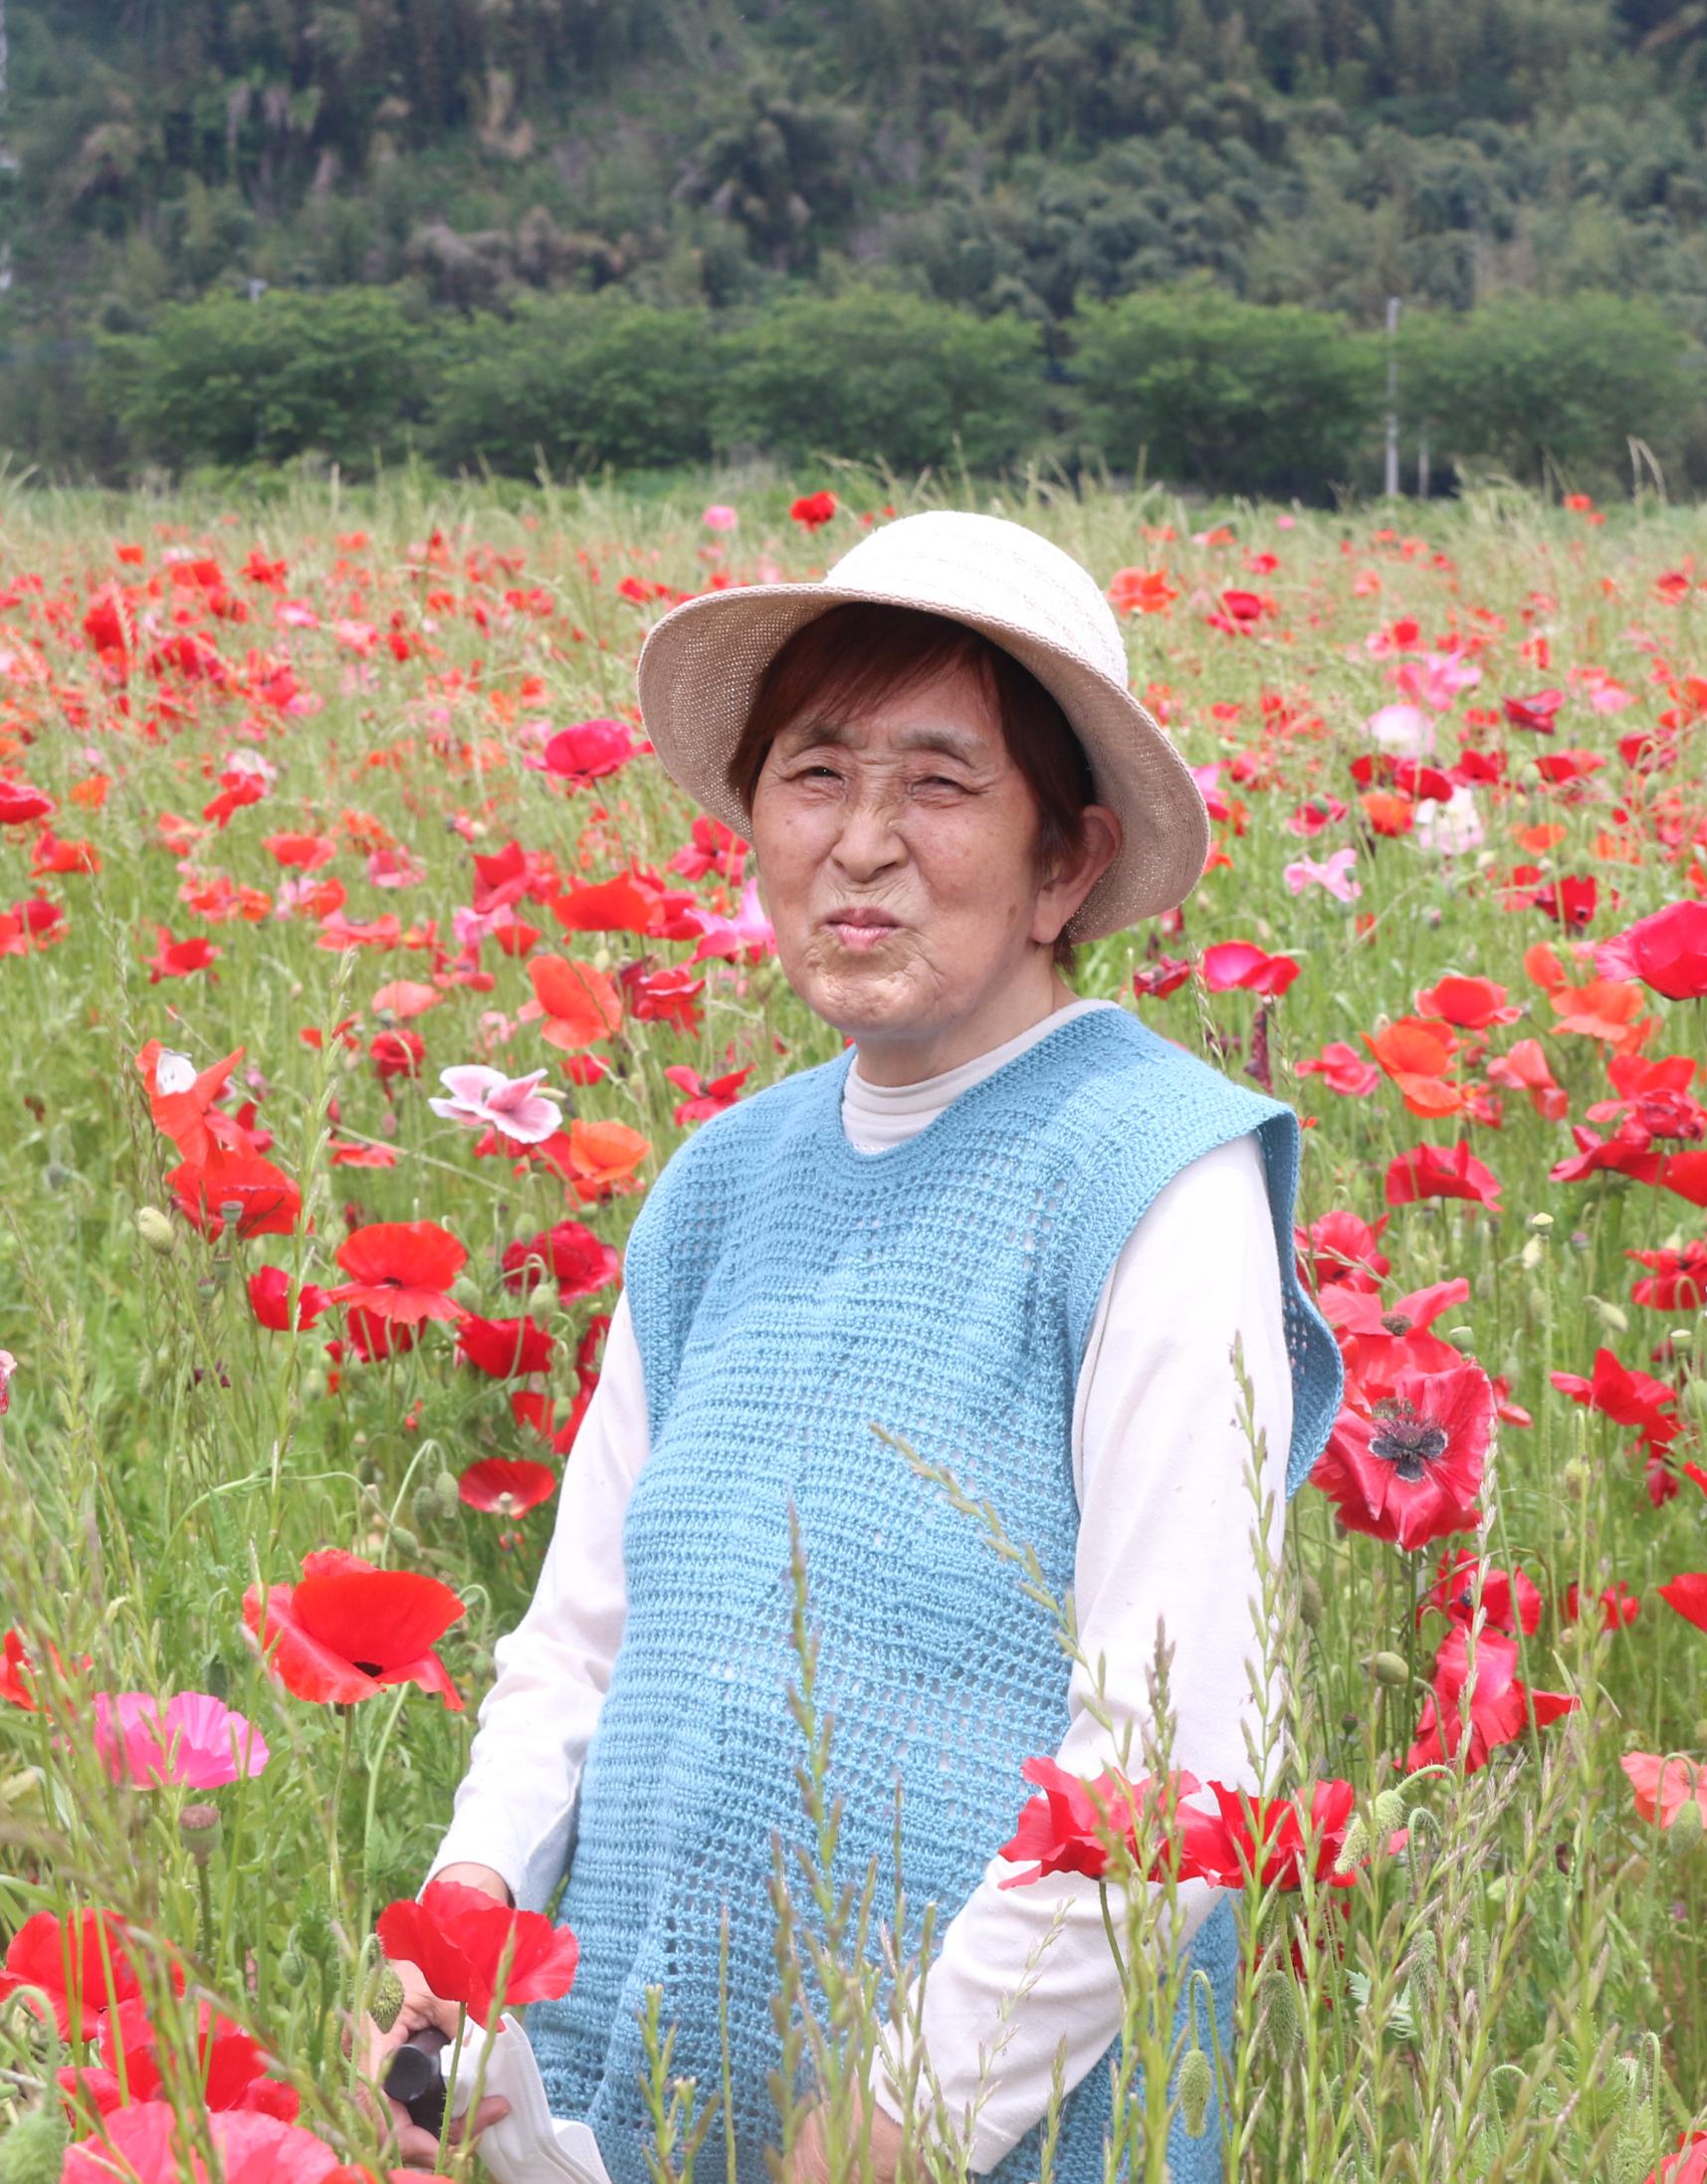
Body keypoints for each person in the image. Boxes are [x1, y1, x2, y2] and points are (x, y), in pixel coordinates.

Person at [367, 510, 1343, 2183]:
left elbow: (1174, 1767)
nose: (864, 842)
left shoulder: (1157, 1178)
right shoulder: (721, 1182)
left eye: (942, 783)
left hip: (969, 2138)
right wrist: (468, 1916)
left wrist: (901, 2123)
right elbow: (579, 1637)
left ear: (1069, 863)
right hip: (625, 2103)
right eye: (815, 773)